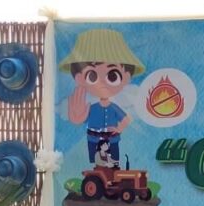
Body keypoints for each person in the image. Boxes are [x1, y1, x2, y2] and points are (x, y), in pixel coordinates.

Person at [59, 28, 145, 166]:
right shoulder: (91, 108)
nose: (102, 83)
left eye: (113, 76)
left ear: (127, 77)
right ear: (79, 78)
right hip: (93, 138)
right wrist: (77, 118)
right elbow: (81, 119)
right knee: (95, 163)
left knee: (114, 162)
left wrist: (118, 129)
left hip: (112, 139)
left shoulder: (114, 107)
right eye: (92, 76)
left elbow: (126, 119)